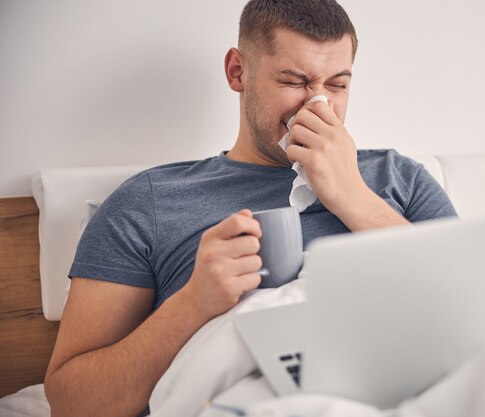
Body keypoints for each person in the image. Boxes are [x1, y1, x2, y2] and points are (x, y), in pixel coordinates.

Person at [43, 1, 457, 417]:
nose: (318, 105)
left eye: (337, 85)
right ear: (238, 71)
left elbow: (470, 316)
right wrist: (193, 303)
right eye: (294, 80)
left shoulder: (398, 177)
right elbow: (71, 402)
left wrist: (351, 194)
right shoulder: (149, 202)